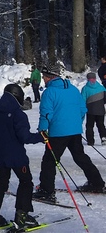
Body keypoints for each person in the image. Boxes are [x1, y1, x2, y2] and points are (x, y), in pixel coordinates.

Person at [34, 67, 105, 202]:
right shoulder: (73, 89)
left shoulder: (49, 92)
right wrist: (76, 123)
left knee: (50, 161)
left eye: (44, 76)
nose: (43, 79)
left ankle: (46, 190)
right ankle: (97, 183)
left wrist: (42, 130)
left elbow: (46, 113)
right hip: (75, 131)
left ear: (50, 77)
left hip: (57, 133)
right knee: (80, 157)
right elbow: (82, 109)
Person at [0, 83, 44, 231]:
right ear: (18, 96)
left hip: (0, 155)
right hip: (16, 157)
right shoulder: (18, 114)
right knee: (26, 182)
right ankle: (21, 218)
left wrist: (0, 148)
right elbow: (24, 137)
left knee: (1, 183)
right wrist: (40, 137)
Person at [82, 72, 106, 146]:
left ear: (88, 79)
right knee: (101, 125)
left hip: (90, 110)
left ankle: (90, 141)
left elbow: (82, 99)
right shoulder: (101, 88)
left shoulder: (85, 88)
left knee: (89, 126)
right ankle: (103, 137)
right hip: (101, 110)